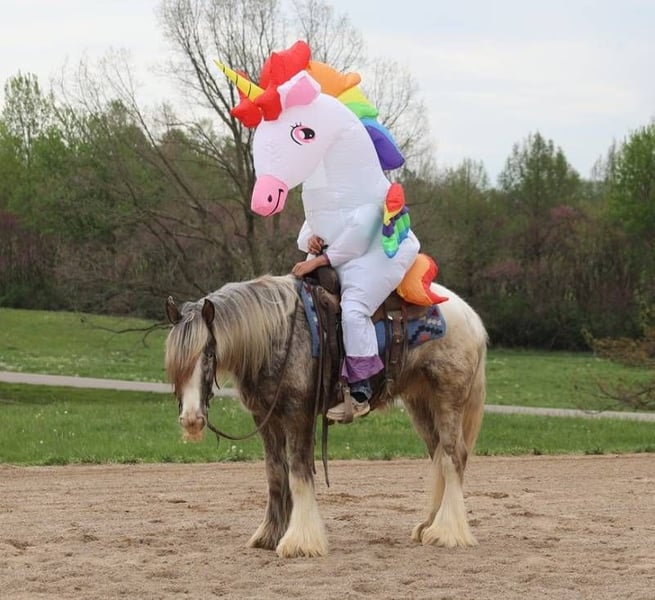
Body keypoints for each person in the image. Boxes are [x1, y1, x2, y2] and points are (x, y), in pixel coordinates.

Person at [291, 209, 419, 421]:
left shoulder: (368, 195)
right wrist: (310, 240)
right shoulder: (327, 193)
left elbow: (359, 235)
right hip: (338, 258)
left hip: (380, 255)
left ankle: (361, 390)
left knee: (353, 310)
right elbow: (313, 220)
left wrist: (318, 261)